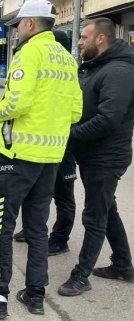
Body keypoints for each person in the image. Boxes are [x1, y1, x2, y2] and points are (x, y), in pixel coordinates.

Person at [0, 0, 82, 319]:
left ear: (30, 24)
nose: (17, 32)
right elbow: (76, 111)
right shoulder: (67, 59)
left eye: (19, 25)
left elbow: (18, 100)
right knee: (37, 226)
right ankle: (35, 294)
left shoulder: (29, 53)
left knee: (1, 224)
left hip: (19, 154)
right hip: (51, 155)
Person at [58, 18, 134, 296]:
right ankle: (123, 265)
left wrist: (70, 134)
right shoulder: (96, 67)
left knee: (95, 215)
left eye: (84, 37)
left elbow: (108, 119)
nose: (79, 41)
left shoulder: (118, 71)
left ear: (101, 39)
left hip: (106, 157)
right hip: (91, 154)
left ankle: (81, 275)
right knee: (107, 209)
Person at [13, 30, 78, 256]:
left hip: (63, 143)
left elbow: (77, 112)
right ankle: (31, 229)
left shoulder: (67, 68)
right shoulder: (68, 68)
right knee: (38, 194)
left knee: (63, 195)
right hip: (53, 141)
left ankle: (60, 238)